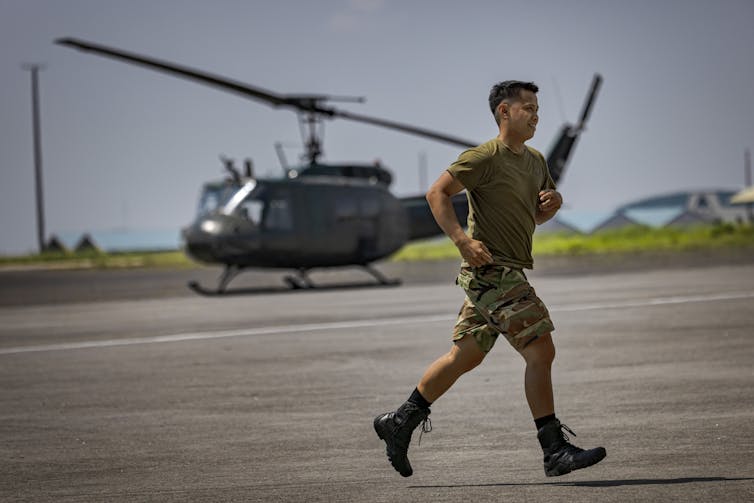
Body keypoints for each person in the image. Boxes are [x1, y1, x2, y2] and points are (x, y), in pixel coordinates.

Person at [373, 80, 606, 478]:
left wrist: (554, 204)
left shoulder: (535, 161)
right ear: (504, 111)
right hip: (490, 272)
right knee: (540, 349)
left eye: (537, 108)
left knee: (464, 355)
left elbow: (532, 216)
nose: (535, 115)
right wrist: (463, 241)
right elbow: (437, 194)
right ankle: (554, 451)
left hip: (507, 270)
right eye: (527, 108)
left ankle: (399, 422)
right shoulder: (485, 157)